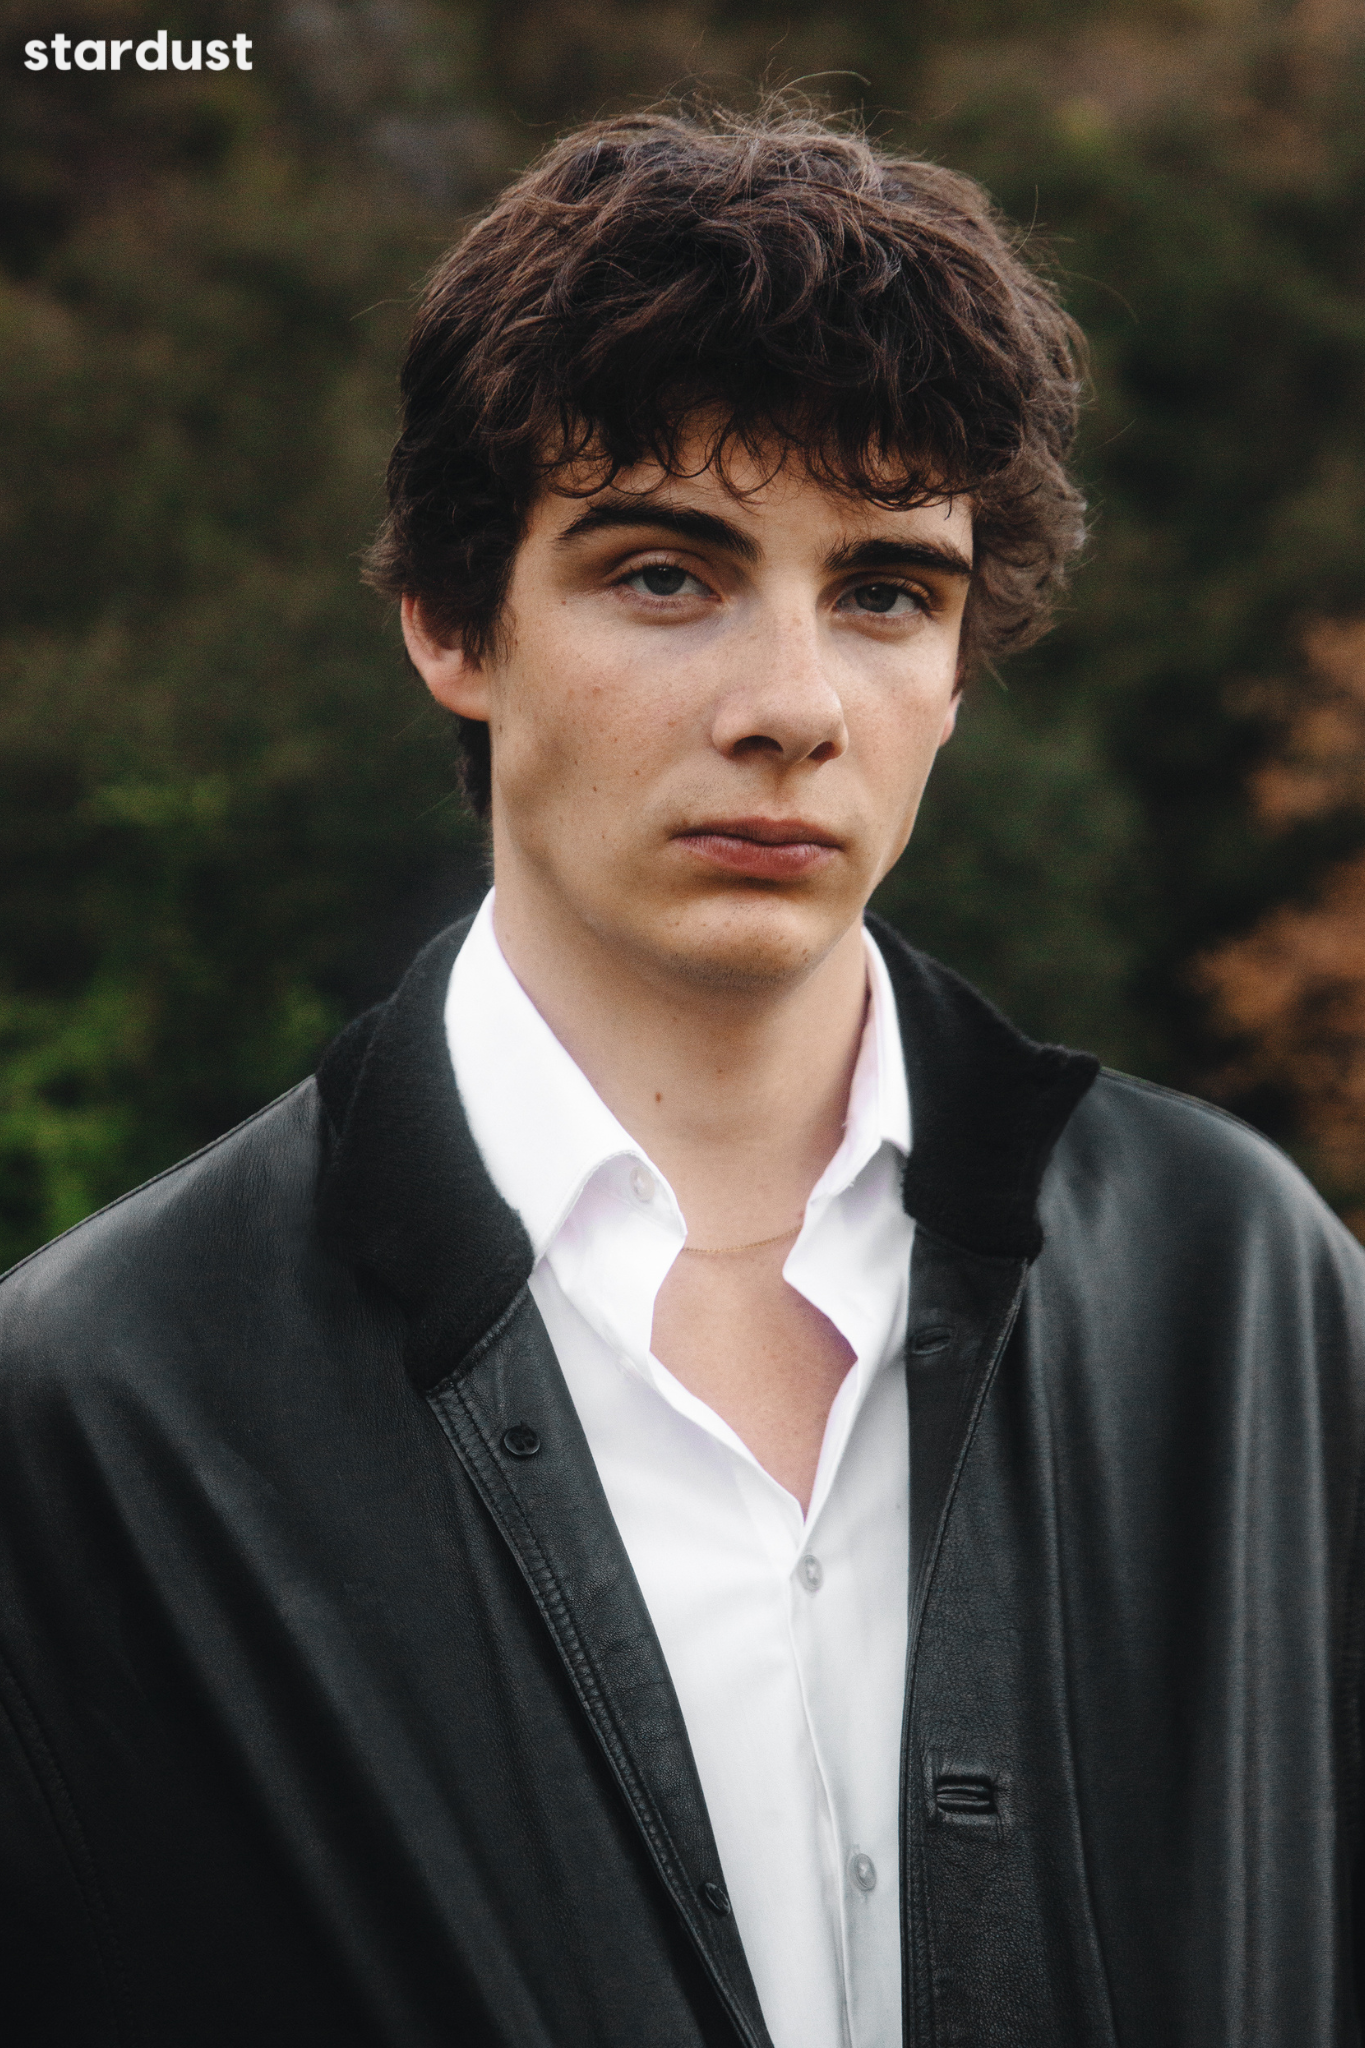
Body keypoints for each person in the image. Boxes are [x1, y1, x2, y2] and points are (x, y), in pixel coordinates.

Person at [0, 104, 1360, 2048]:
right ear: (450, 620)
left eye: (884, 591)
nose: (791, 705)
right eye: (664, 574)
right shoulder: (103, 1403)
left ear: (957, 670)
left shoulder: (1243, 1285)